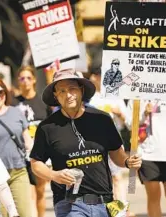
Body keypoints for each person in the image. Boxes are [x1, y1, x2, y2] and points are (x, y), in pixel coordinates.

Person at [30, 68, 142, 217]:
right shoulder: (47, 127)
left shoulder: (102, 120)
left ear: (81, 90)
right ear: (56, 96)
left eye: (72, 89)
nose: (68, 95)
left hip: (104, 202)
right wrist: (54, 175)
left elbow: (117, 155)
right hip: (69, 204)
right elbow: (36, 163)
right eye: (62, 91)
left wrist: (128, 162)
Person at [0, 77, 33, 217]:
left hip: (18, 171)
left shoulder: (16, 112)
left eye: (0, 92)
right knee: (1, 215)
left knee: (25, 213)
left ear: (5, 94)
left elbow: (28, 141)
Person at [11, 66, 51, 217]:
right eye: (22, 78)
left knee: (40, 191)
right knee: (28, 192)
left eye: (28, 78)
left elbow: (50, 127)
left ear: (34, 80)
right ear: (18, 82)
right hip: (20, 154)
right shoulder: (13, 103)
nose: (25, 81)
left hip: (40, 153)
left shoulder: (43, 102)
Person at [89, 70, 129, 204]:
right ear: (93, 77)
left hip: (113, 142)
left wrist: (119, 114)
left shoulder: (115, 96)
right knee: (101, 178)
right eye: (99, 75)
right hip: (94, 143)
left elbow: (126, 123)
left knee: (117, 176)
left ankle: (121, 208)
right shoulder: (89, 98)